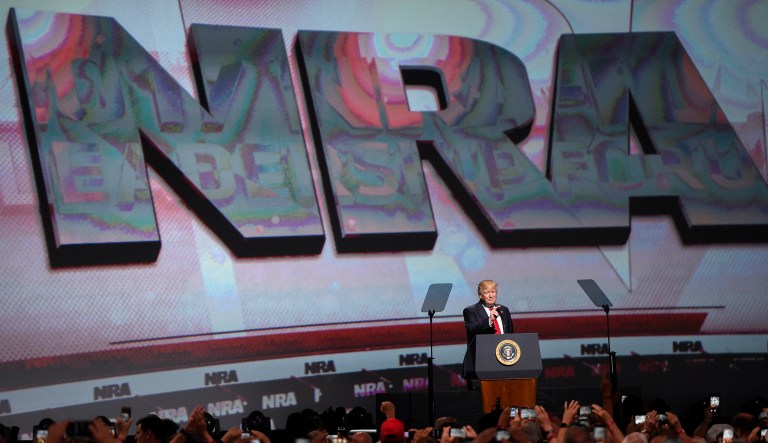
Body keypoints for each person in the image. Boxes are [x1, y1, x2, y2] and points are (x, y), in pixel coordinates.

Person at [462, 279, 514, 381]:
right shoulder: (471, 311)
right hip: (482, 361)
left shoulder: (504, 310)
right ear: (480, 295)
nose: (491, 295)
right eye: (487, 293)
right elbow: (471, 330)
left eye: (493, 292)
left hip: (504, 359)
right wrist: (489, 320)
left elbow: (510, 334)